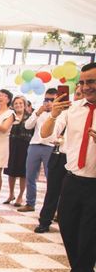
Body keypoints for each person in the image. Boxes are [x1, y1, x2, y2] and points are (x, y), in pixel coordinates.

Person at [45, 63, 96, 272]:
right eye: (83, 82)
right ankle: (85, 271)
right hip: (73, 180)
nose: (86, 87)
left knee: (88, 236)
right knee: (67, 228)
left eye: (91, 82)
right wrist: (53, 114)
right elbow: (46, 133)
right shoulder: (73, 108)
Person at [36, 86, 84, 233]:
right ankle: (45, 221)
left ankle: (70, 223)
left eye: (81, 94)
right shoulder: (65, 112)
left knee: (73, 195)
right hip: (59, 155)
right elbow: (45, 133)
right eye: (77, 94)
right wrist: (53, 115)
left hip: (78, 160)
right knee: (52, 191)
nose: (79, 97)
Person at [19, 88, 57, 212]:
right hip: (34, 145)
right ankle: (30, 203)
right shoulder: (38, 112)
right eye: (47, 99)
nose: (49, 102)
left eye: (52, 100)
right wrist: (37, 113)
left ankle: (53, 208)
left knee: (51, 178)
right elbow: (27, 126)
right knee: (30, 175)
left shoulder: (60, 114)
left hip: (50, 147)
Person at [4, 96, 33, 207]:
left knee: (22, 173)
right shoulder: (11, 116)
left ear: (24, 105)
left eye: (20, 103)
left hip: (25, 146)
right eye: (16, 103)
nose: (18, 105)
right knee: (11, 171)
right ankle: (11, 194)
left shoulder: (30, 117)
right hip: (12, 145)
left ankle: (20, 195)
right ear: (13, 105)